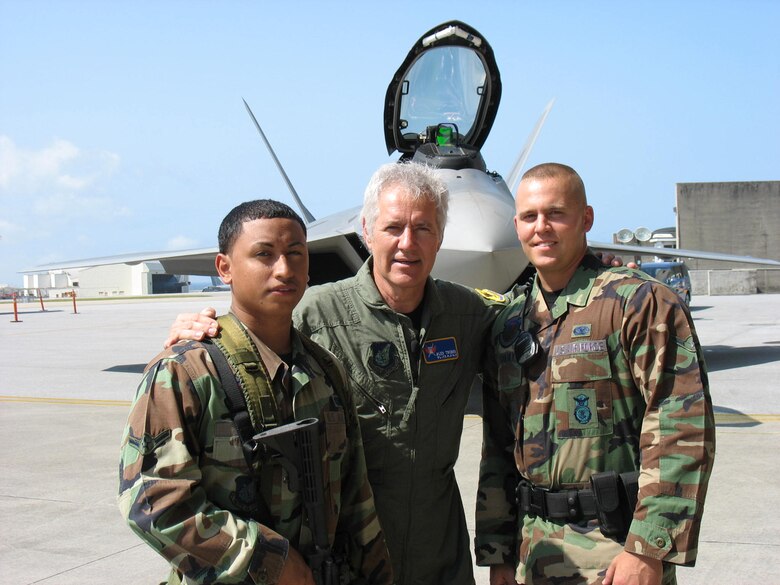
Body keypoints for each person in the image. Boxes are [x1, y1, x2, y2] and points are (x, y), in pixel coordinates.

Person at [165, 163, 632, 585]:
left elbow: (544, 316)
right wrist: (201, 328)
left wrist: (596, 275)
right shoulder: (313, 314)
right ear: (367, 231)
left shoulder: (469, 314)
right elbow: (244, 335)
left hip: (440, 553)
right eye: (393, 227)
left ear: (440, 236)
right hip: (352, 553)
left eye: (424, 228)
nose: (408, 243)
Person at [118, 199, 392, 585]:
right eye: (264, 254)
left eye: (296, 254)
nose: (284, 269)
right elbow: (154, 503)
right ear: (224, 268)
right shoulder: (185, 372)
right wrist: (268, 561)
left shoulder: (326, 370)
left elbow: (355, 496)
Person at [475, 163, 716, 585]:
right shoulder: (508, 326)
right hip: (533, 553)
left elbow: (681, 426)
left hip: (614, 551)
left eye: (556, 213)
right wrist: (498, 553)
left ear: (586, 218)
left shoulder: (638, 303)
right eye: (530, 217)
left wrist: (648, 549)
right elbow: (498, 448)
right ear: (516, 226)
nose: (542, 228)